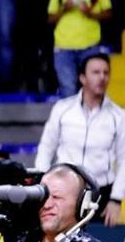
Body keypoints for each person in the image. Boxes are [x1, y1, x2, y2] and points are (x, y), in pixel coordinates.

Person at [34, 54, 125, 226]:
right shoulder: (62, 109)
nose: (102, 78)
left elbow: (124, 159)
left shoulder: (119, 116)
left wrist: (116, 199)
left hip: (102, 194)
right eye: (96, 72)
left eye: (106, 73)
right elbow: (46, 147)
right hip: (63, 191)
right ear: (82, 77)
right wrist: (43, 187)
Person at [48, 0, 112, 97]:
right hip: (64, 48)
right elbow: (50, 19)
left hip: (90, 46)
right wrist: (65, 9)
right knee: (68, 91)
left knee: (92, 92)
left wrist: (90, 13)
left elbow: (109, 14)